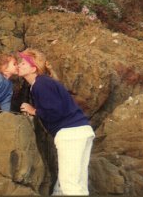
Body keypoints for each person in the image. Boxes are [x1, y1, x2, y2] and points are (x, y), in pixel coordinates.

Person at [18, 48, 95, 195]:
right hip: (81, 130)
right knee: (76, 183)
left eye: (23, 63)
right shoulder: (43, 83)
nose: (19, 65)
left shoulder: (40, 84)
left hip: (70, 133)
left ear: (33, 68)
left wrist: (33, 110)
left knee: (70, 185)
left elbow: (54, 111)